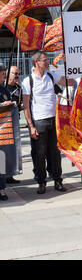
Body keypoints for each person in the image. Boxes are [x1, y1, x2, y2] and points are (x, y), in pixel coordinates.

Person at [22, 51, 73, 195]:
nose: (47, 62)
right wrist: (31, 126)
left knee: (55, 153)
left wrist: (68, 65)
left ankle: (58, 181)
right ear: (36, 62)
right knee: (39, 154)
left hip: (54, 120)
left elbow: (70, 82)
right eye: (44, 60)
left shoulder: (51, 76)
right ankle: (41, 182)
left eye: (47, 60)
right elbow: (26, 106)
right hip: (39, 121)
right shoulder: (28, 81)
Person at [0, 64, 15, 201]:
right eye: (2, 72)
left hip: (3, 131)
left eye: (4, 72)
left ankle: (2, 188)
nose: (4, 75)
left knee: (2, 160)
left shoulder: (4, 90)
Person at [6, 66, 23, 184]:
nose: (17, 76)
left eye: (19, 73)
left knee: (13, 150)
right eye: (15, 73)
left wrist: (20, 106)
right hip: (4, 124)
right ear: (8, 74)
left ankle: (10, 175)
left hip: (14, 122)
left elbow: (21, 104)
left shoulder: (19, 88)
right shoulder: (3, 87)